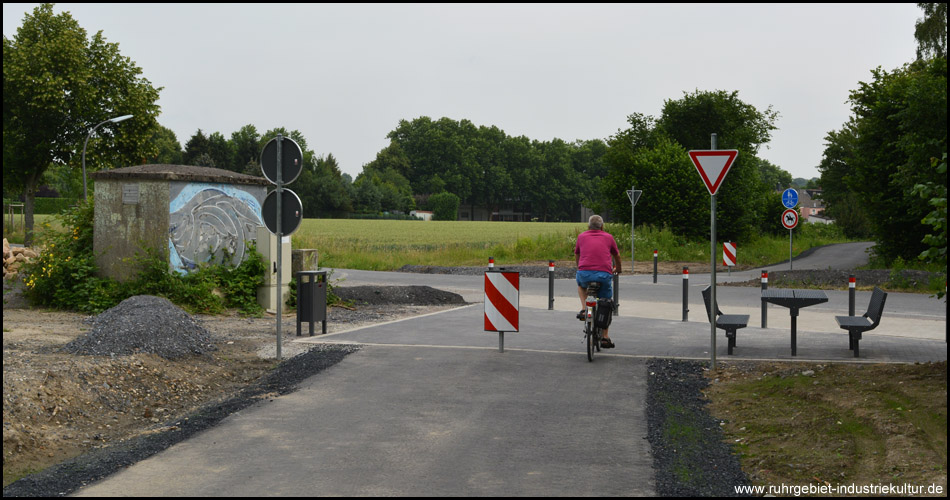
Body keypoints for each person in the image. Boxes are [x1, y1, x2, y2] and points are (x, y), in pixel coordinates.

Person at [574, 214, 622, 348]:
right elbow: (616, 255)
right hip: (604, 275)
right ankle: (605, 337)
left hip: (584, 274)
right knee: (606, 302)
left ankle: (584, 308)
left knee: (581, 286)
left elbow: (577, 254)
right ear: (602, 226)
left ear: (588, 226)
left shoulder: (581, 237)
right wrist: (618, 269)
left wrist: (580, 267)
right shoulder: (609, 237)